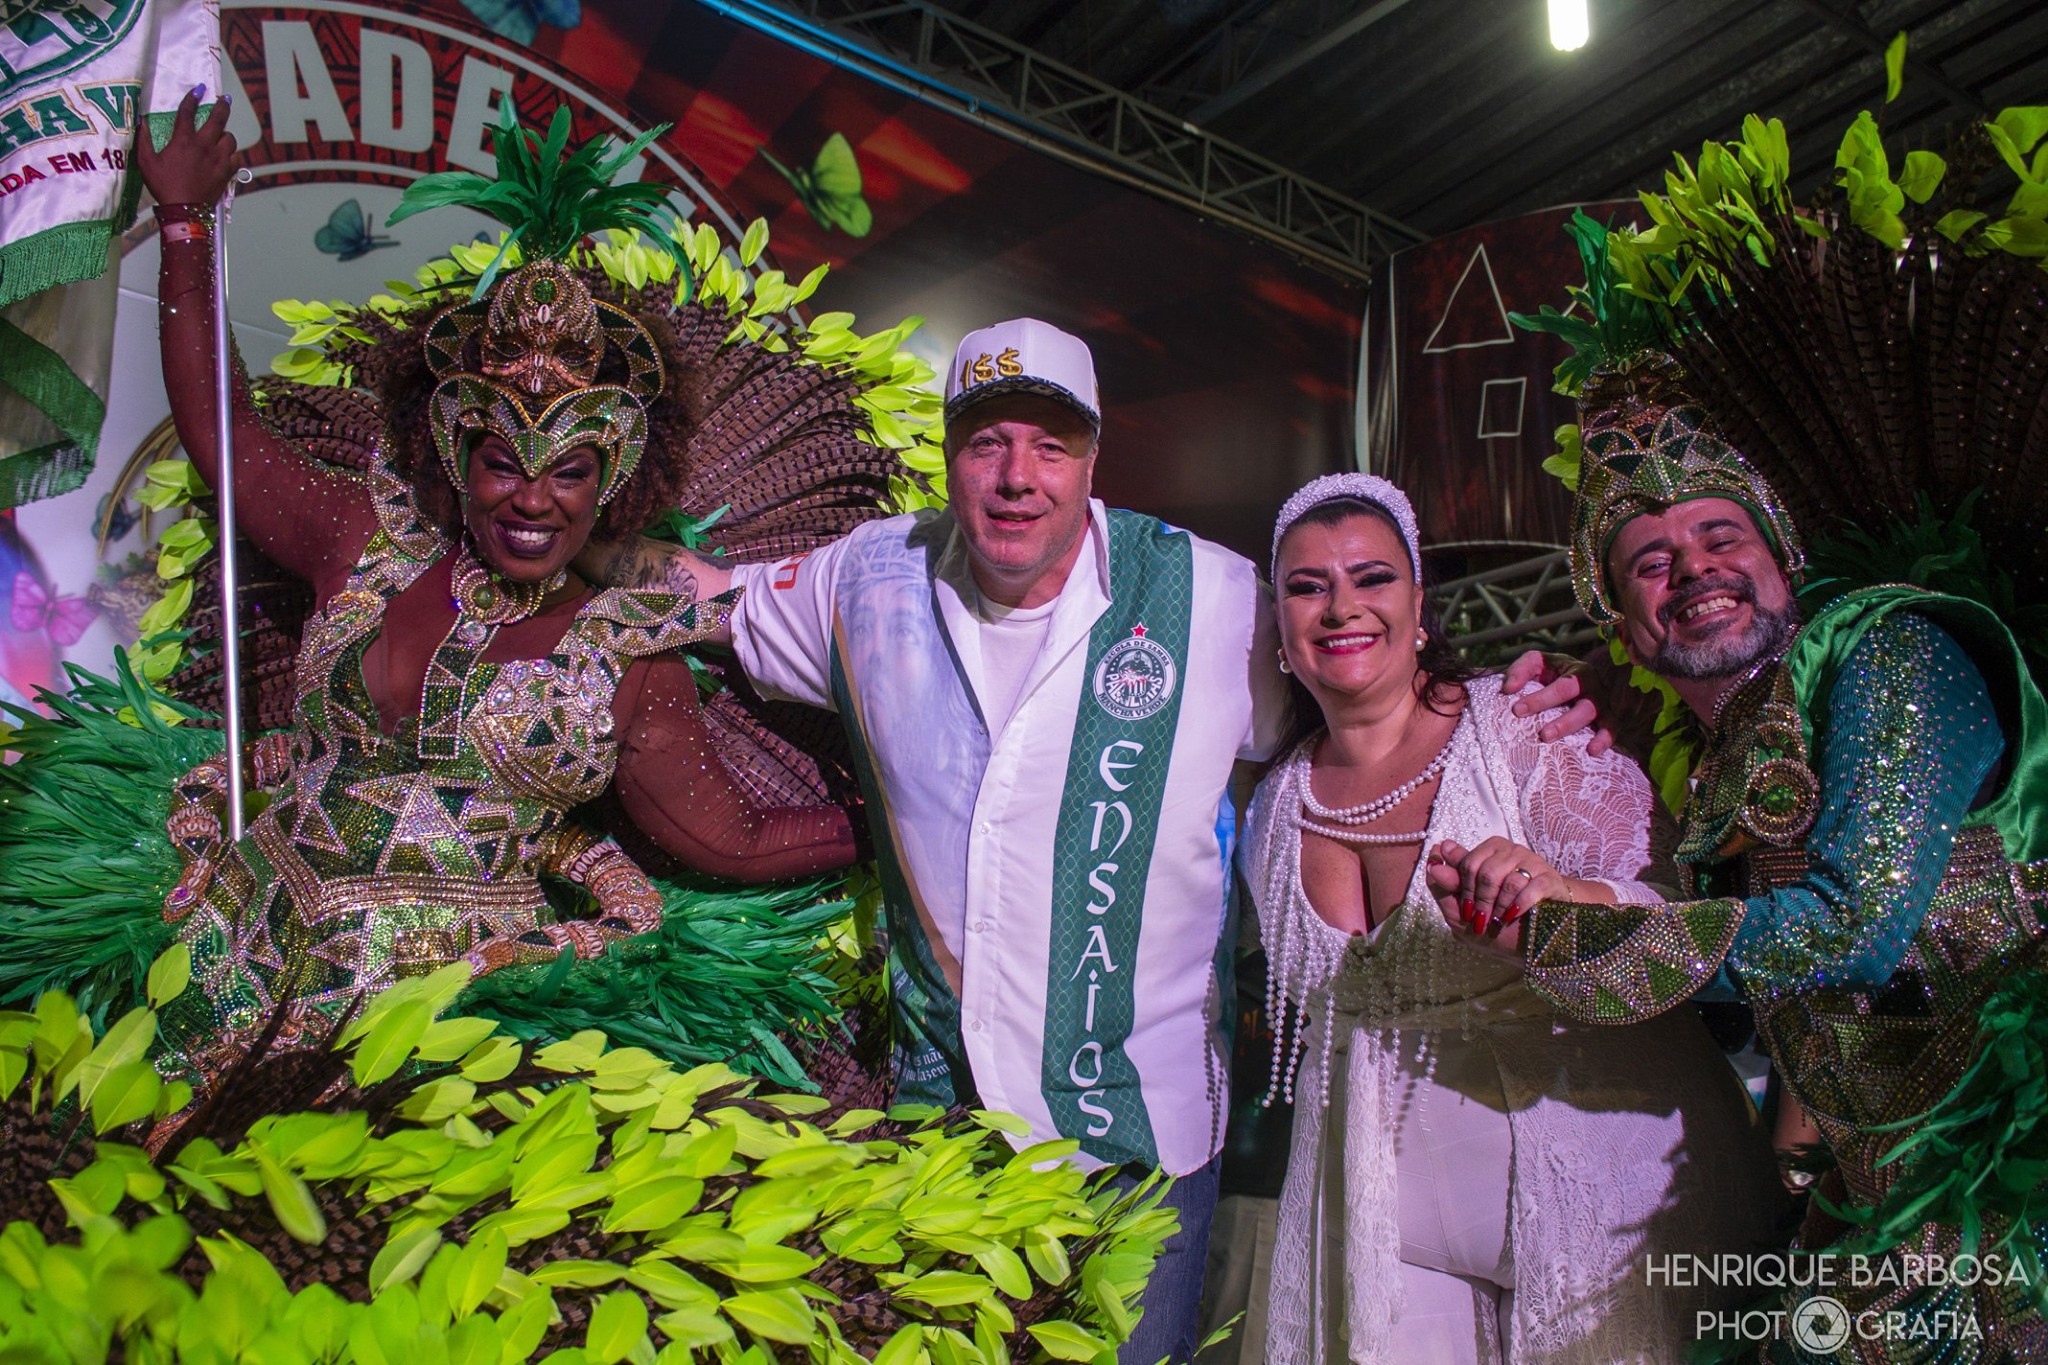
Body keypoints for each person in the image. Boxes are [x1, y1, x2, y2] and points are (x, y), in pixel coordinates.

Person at [579, 319, 1607, 1363]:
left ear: (1092, 458)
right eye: (985, 441)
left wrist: (1489, 705)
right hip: (945, 1134)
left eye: (1050, 444)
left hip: (1138, 1147)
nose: (1017, 474)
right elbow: (701, 598)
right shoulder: (867, 580)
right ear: (947, 453)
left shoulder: (1212, 598)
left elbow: (1357, 681)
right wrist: (551, 517)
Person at [130, 92, 862, 1091]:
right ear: (452, 449)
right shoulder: (364, 536)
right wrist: (184, 226)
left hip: (435, 1049)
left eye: (567, 471)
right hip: (228, 954)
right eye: (501, 462)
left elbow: (724, 840)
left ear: (611, 480)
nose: (531, 499)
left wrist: (910, 816)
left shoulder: (626, 646)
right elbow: (230, 439)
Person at [1441, 353, 2048, 1359]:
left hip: (2019, 1195)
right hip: (1890, 1213)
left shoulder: (1888, 652)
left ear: (1781, 557)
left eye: (1717, 534)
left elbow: (1853, 927)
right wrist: (1551, 907)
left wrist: (1576, 933)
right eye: (1647, 560)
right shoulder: (1721, 779)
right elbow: (1752, 1000)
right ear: (1620, 627)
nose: (1691, 569)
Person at [1247, 472, 1782, 1364]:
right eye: (1308, 585)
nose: (1342, 605)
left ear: (1419, 605)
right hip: (1385, 1227)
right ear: (1281, 628)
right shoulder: (1271, 806)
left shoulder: (1526, 729)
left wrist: (1564, 904)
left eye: (1372, 577)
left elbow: (1675, 914)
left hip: (1610, 1197)